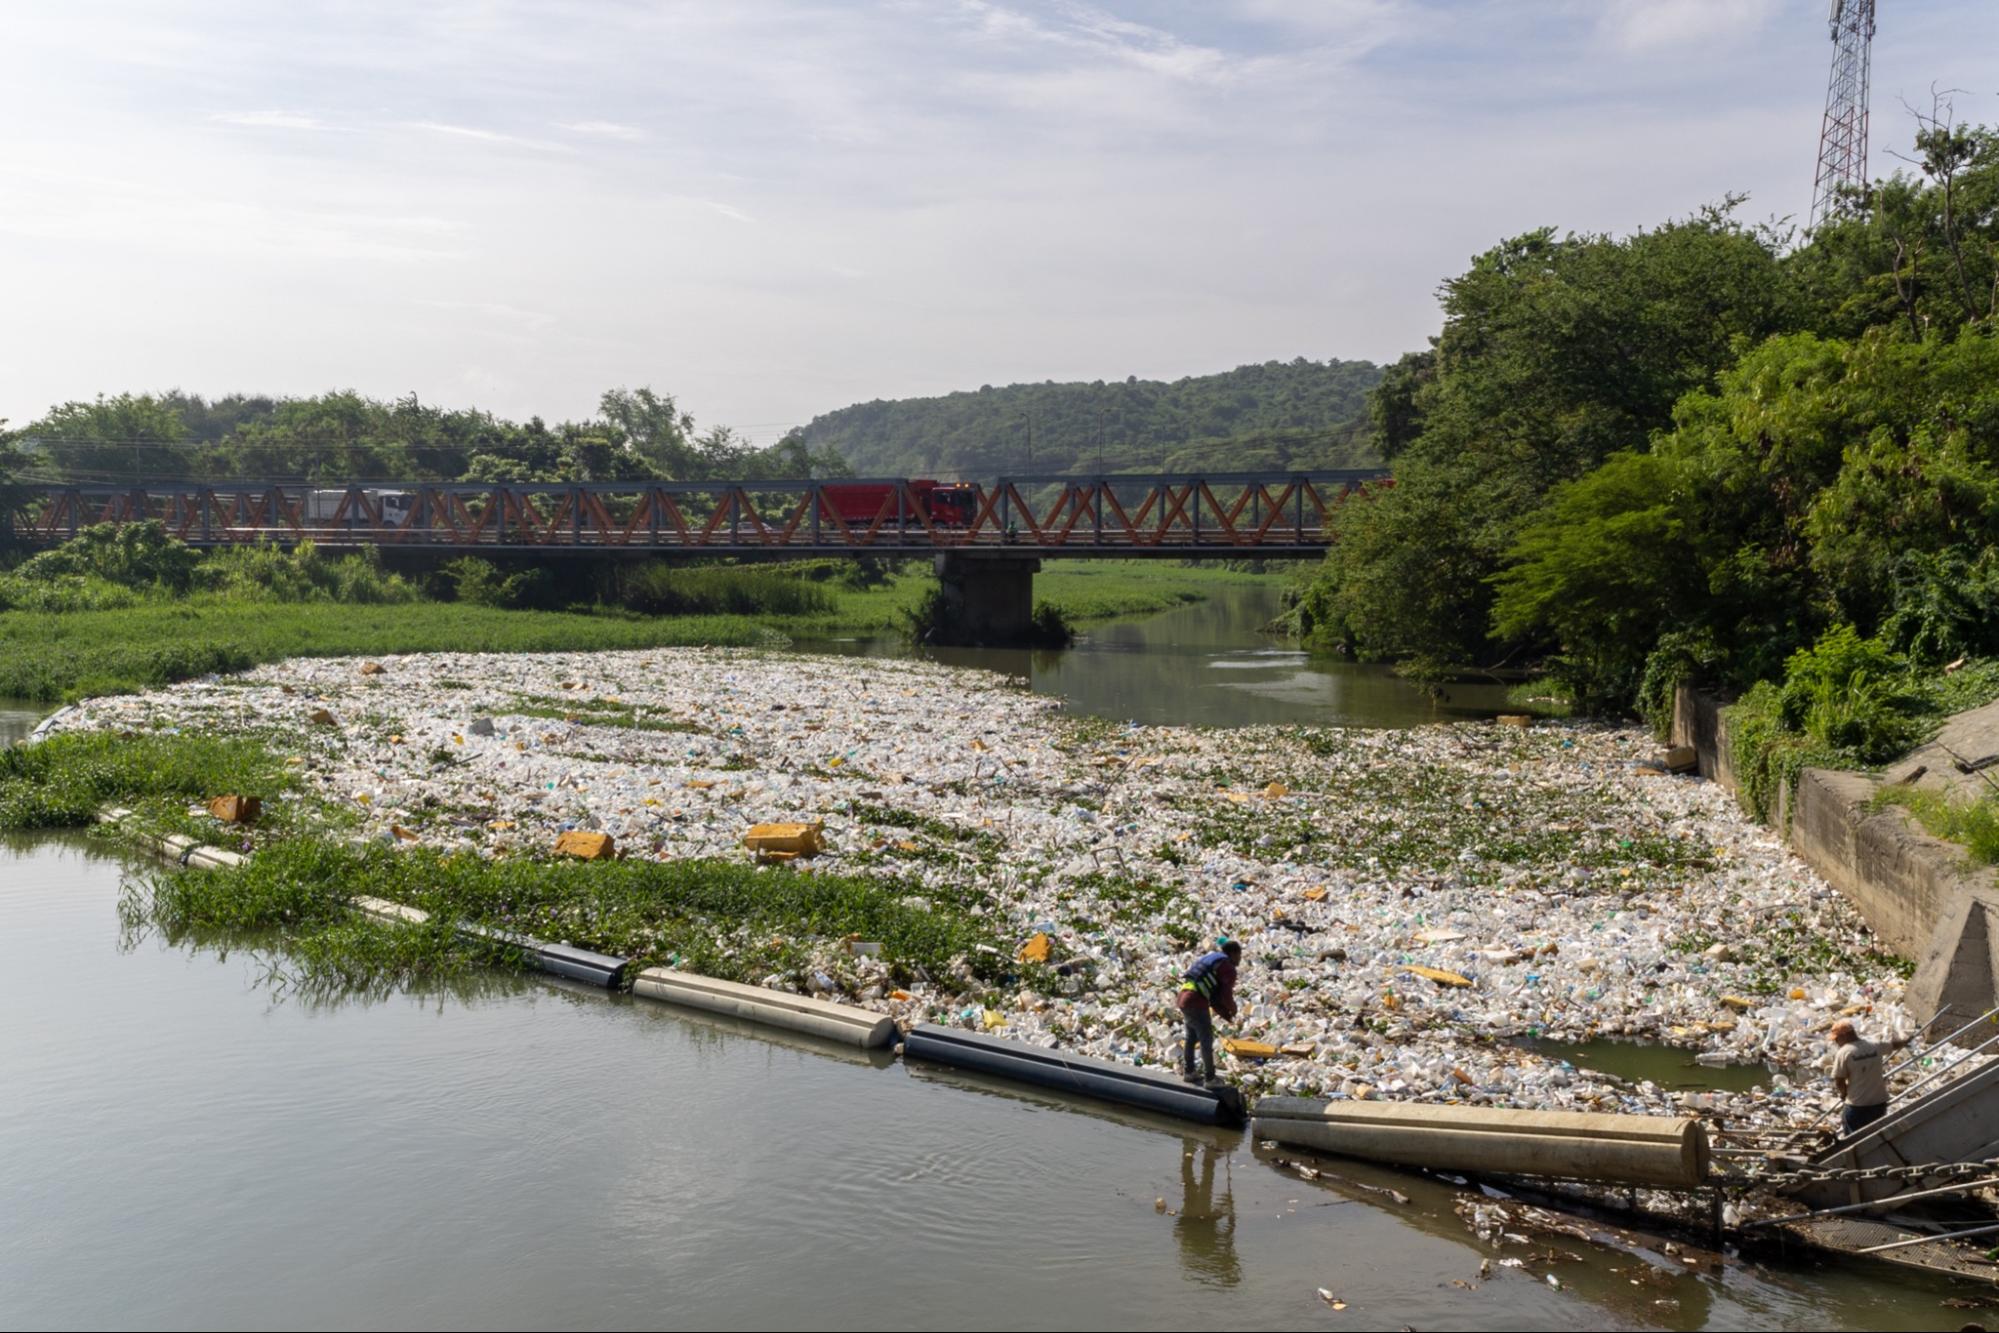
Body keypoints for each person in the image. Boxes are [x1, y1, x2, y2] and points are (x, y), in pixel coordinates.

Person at [1177, 939, 1242, 1086]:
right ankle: (1210, 1078)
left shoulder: (1212, 958)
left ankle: (1189, 1072)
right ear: (1233, 953)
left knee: (1191, 1037)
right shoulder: (1228, 967)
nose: (1240, 959)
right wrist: (1233, 1009)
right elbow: (1225, 995)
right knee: (1206, 1040)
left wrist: (1224, 1012)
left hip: (1183, 996)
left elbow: (1214, 994)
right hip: (1196, 1001)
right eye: (1239, 955)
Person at [1830, 1018, 1909, 1136]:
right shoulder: (1874, 1046)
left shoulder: (1844, 1052)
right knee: (1875, 1136)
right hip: (1879, 1103)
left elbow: (1839, 1080)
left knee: (1853, 1139)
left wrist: (1843, 1094)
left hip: (1857, 1104)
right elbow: (1893, 1045)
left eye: (1836, 1038)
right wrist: (1906, 1041)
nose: (1836, 1042)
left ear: (1845, 1035)